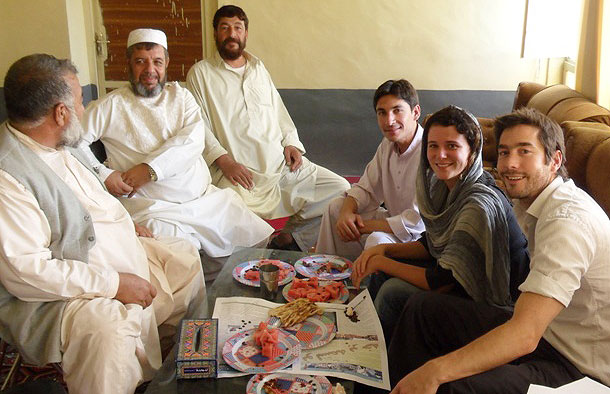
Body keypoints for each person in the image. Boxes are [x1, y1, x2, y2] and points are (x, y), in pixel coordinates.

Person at [0, 54, 205, 394]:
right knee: (108, 328)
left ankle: (170, 369)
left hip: (118, 253)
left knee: (184, 257)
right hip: (62, 291)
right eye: (79, 103)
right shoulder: (9, 176)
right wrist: (113, 284)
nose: (84, 111)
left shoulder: (61, 140)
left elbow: (93, 190)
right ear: (60, 113)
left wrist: (126, 223)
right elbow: (27, 273)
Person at [388, 108, 610, 393]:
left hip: (577, 365)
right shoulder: (531, 204)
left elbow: (525, 335)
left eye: (524, 151)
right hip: (548, 332)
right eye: (504, 152)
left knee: (451, 384)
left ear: (554, 160)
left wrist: (435, 371)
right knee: (423, 308)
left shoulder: (567, 223)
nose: (510, 164)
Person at [80, 28, 274, 278]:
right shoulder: (109, 106)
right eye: (140, 61)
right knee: (180, 260)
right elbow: (72, 143)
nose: (150, 70)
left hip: (203, 200)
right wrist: (103, 173)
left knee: (254, 237)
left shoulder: (182, 97)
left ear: (167, 64)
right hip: (153, 208)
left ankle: (215, 291)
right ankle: (195, 301)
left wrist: (150, 170)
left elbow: (193, 140)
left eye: (157, 62)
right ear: (128, 64)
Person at [351, 106, 529, 340]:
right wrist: (382, 250)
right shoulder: (446, 187)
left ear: (473, 150)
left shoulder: (478, 203)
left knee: (393, 292)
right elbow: (431, 244)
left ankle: (383, 363)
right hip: (458, 281)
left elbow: (443, 282)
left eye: (452, 146)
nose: (440, 155)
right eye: (433, 146)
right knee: (383, 268)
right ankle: (364, 340)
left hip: (497, 304)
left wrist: (382, 262)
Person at [186, 5, 350, 252]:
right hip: (238, 174)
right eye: (225, 28)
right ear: (215, 34)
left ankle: (291, 239)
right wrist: (224, 161)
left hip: (280, 168)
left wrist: (291, 143)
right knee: (225, 215)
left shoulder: (258, 68)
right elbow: (200, 126)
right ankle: (252, 259)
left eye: (237, 28)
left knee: (339, 190)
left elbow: (278, 110)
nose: (232, 33)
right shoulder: (201, 74)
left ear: (245, 33)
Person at [316, 79, 425, 260]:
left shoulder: (431, 150)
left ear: (415, 112)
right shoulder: (388, 145)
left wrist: (362, 226)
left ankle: (366, 286)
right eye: (382, 112)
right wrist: (345, 214)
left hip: (419, 237)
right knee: (335, 208)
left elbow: (415, 222)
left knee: (376, 240)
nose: (389, 121)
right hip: (393, 222)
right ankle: (327, 273)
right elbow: (366, 189)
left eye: (397, 110)